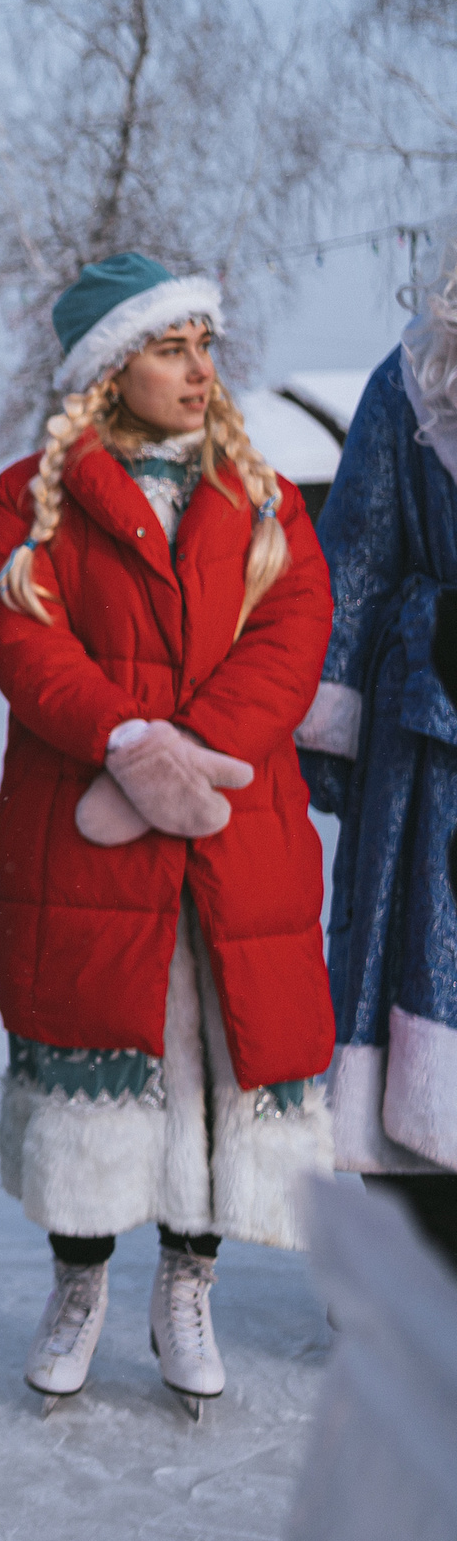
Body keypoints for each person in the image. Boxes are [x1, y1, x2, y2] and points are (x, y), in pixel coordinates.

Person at [0, 253, 334, 1419]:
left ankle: (187, 1284)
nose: (199, 370)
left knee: (210, 1057)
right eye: (170, 348)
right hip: (87, 838)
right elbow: (26, 645)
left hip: (232, 836)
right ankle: (78, 1286)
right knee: (102, 1053)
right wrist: (128, 748)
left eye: (204, 347)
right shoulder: (26, 497)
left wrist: (198, 761)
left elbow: (294, 629)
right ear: (107, 367)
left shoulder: (261, 494)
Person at [299, 234, 457, 1273]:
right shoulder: (410, 387)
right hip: (426, 754)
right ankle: (407, 1270)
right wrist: (336, 733)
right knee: (418, 988)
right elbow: (349, 562)